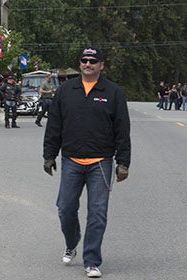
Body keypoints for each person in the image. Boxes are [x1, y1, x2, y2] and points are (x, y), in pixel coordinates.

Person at [43, 46, 131, 278]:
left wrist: (123, 162)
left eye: (93, 60)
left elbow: (122, 129)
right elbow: (54, 125)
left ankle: (91, 261)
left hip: (100, 162)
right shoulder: (65, 90)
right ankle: (72, 242)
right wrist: (48, 155)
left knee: (97, 213)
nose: (88, 64)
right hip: (71, 159)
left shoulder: (113, 93)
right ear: (80, 63)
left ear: (101, 65)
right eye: (84, 60)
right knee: (65, 209)